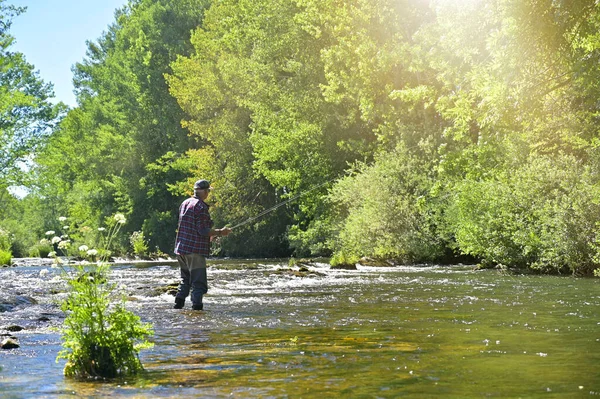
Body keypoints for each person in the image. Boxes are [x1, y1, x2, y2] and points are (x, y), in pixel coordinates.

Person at [173, 179, 231, 310]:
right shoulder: (201, 206)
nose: (208, 194)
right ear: (204, 192)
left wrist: (212, 234)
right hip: (195, 251)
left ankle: (178, 307)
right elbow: (203, 230)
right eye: (208, 191)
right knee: (198, 284)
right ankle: (197, 310)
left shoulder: (185, 203)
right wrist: (221, 232)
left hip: (181, 249)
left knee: (185, 281)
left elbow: (192, 228)